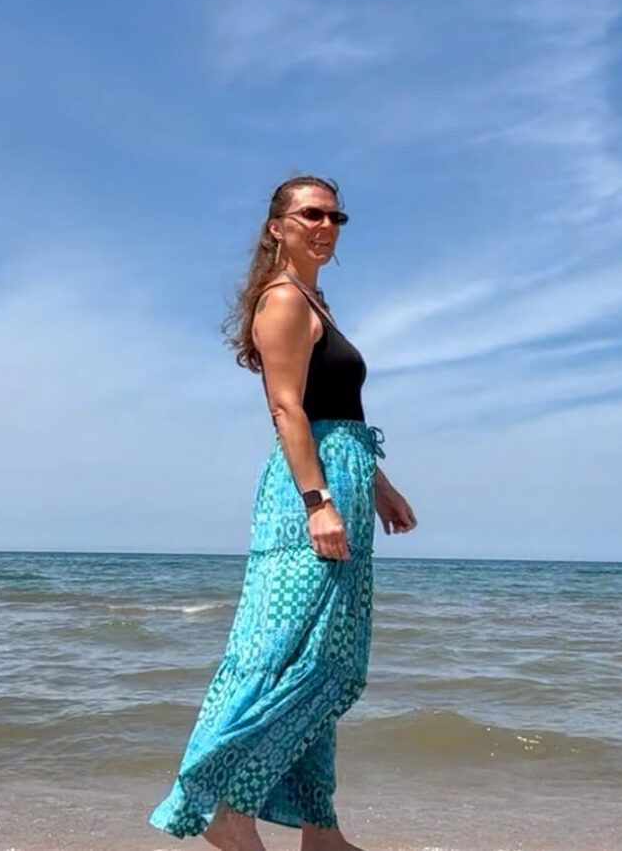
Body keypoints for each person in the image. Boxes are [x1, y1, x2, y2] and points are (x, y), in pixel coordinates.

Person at [148, 175, 417, 850]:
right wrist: (318, 503)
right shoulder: (284, 300)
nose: (325, 226)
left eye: (335, 217)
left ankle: (321, 833)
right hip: (310, 495)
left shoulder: (314, 300)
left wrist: (377, 484)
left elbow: (334, 411)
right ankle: (224, 810)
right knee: (296, 657)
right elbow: (287, 409)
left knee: (323, 657)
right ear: (277, 227)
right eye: (311, 214)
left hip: (342, 482)